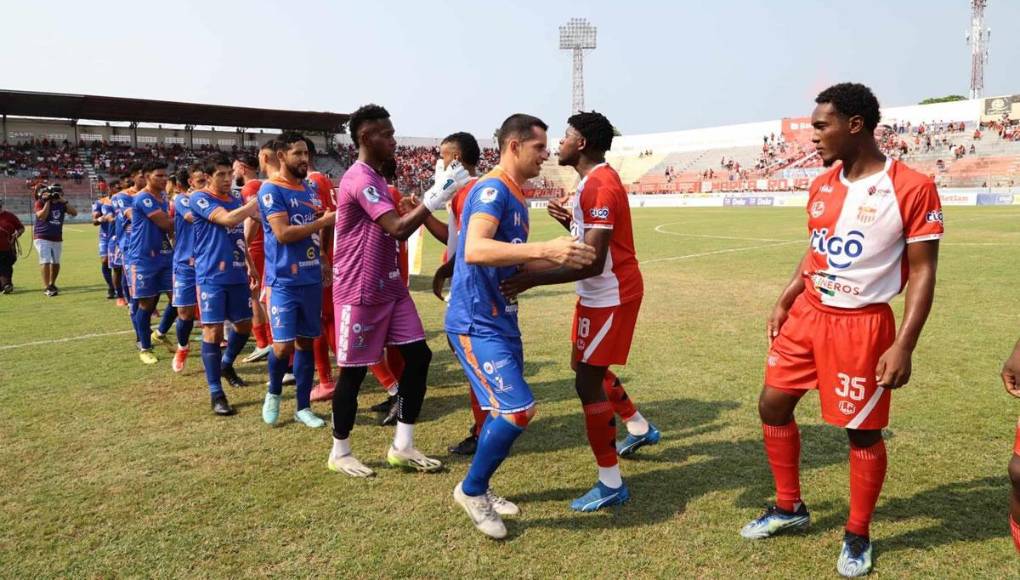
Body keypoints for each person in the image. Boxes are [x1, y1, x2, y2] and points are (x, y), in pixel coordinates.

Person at [739, 83, 943, 577]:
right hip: (809, 314)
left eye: (821, 125)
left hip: (862, 325)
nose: (813, 136)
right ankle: (790, 507)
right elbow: (816, 250)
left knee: (861, 430)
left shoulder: (911, 187)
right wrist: (786, 298)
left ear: (856, 126)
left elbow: (923, 272)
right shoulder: (822, 184)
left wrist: (904, 345)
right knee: (772, 402)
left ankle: (857, 532)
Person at [500, 111, 660, 512]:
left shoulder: (600, 185)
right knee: (585, 367)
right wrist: (572, 222)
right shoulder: (590, 183)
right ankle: (638, 426)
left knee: (587, 382)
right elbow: (591, 244)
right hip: (595, 293)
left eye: (567, 136)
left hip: (610, 294)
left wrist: (533, 277)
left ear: (583, 143)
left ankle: (611, 483)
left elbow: (592, 261)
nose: (560, 144)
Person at [446, 113, 596, 539]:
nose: (546, 155)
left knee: (502, 410)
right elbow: (474, 249)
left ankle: (481, 486)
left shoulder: (515, 194)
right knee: (518, 409)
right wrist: (545, 247)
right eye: (539, 148)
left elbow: (509, 256)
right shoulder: (492, 189)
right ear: (514, 146)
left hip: (501, 318)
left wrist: (560, 256)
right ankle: (471, 490)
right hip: (476, 321)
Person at [327, 104, 470, 477]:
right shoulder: (358, 179)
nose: (393, 140)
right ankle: (340, 452)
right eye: (386, 134)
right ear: (364, 138)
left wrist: (430, 200)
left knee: (419, 358)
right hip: (360, 289)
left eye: (392, 133)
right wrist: (435, 197)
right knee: (354, 373)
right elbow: (398, 229)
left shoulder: (374, 178)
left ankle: (403, 445)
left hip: (390, 286)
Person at [257, 132, 335, 428]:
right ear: (281, 157)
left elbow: (318, 226)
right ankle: (273, 392)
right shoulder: (271, 190)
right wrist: (323, 222)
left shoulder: (310, 189)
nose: (304, 159)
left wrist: (324, 256)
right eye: (298, 154)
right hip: (283, 281)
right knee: (282, 347)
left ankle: (303, 407)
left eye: (306, 154)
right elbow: (283, 234)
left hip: (311, 278)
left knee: (306, 343)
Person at [416, 132, 487, 455]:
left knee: (473, 357)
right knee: (470, 355)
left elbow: (468, 247)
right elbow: (453, 239)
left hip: (470, 289)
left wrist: (446, 272)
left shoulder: (469, 192)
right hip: (467, 285)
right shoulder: (466, 191)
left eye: (443, 157)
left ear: (456, 159)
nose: (439, 163)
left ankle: (485, 427)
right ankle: (487, 421)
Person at [190, 153, 259, 415]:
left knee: (244, 326)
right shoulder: (200, 198)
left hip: (237, 273)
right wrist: (253, 206)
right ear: (207, 177)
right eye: (221, 175)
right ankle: (216, 393)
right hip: (211, 276)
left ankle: (227, 363)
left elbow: (240, 233)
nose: (228, 179)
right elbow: (229, 220)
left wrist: (250, 265)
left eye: (230, 173)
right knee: (213, 333)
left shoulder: (236, 198)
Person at [126, 161, 174, 365]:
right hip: (143, 258)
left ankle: (160, 332)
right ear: (147, 177)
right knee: (146, 303)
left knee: (178, 300)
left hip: (165, 255)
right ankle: (145, 346)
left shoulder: (162, 197)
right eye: (159, 176)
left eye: (165, 176)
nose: (164, 179)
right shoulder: (143, 198)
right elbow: (165, 223)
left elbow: (170, 228)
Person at [240, 143, 276, 364]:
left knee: (259, 297)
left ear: (242, 168)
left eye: (234, 168)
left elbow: (251, 221)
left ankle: (266, 343)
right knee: (260, 297)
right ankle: (267, 342)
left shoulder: (250, 188)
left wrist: (244, 248)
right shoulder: (262, 185)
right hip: (265, 248)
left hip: (258, 250)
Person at [169, 165, 206, 373]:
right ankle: (182, 348)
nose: (204, 185)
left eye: (205, 181)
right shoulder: (182, 199)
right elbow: (192, 217)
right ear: (190, 183)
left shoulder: (214, 198)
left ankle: (215, 356)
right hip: (185, 264)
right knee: (184, 312)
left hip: (209, 264)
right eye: (200, 181)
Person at [32, 183, 77, 296]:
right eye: (55, 192)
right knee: (45, 261)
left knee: (56, 262)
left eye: (59, 192)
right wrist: (47, 201)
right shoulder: (40, 202)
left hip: (57, 237)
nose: (57, 195)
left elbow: (74, 213)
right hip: (42, 236)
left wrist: (64, 201)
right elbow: (42, 216)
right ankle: (46, 287)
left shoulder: (62, 204)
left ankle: (52, 284)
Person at [91, 191, 116, 299]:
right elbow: (95, 221)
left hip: (120, 235)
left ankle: (119, 288)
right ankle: (111, 287)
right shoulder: (100, 202)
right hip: (105, 236)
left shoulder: (124, 199)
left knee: (118, 266)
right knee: (105, 261)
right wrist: (102, 218)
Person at [0, 199, 25, 294]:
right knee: (3, 267)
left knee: (5, 266)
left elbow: (21, 228)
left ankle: (6, 285)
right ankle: (6, 285)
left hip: (8, 247)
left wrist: (17, 234)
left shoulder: (10, 216)